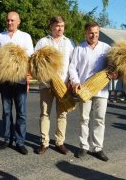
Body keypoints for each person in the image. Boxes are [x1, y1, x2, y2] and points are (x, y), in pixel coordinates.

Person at [69, 22, 113, 162]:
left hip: (102, 90)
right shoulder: (79, 48)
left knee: (100, 119)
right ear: (85, 33)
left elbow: (113, 67)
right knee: (84, 118)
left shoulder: (106, 48)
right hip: (85, 90)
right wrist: (76, 82)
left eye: (96, 33)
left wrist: (115, 74)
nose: (94, 35)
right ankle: (84, 146)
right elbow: (72, 68)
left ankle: (98, 148)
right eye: (91, 33)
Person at [0, 11, 34, 155]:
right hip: (5, 80)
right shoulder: (0, 37)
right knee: (6, 111)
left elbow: (30, 56)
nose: (9, 22)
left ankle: (20, 142)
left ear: (18, 22)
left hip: (20, 80)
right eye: (8, 20)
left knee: (21, 113)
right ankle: (6, 139)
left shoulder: (25, 37)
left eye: (12, 20)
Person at [34, 16, 75, 155]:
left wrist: (70, 81)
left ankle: (59, 142)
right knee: (45, 113)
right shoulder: (43, 42)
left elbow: (73, 64)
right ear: (51, 26)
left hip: (63, 84)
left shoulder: (69, 42)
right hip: (46, 84)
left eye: (62, 26)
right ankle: (44, 143)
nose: (60, 29)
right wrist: (46, 79)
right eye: (57, 26)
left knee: (62, 114)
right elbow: (35, 64)